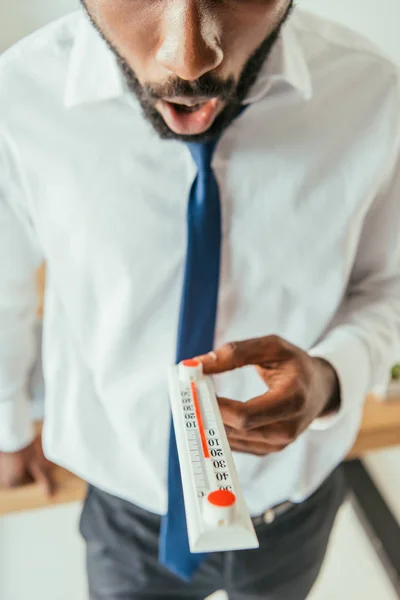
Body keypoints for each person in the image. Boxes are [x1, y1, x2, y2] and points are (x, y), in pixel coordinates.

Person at [0, 0, 399, 598]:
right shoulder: (20, 94)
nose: (188, 59)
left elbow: (388, 284)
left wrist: (332, 376)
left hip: (289, 507)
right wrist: (7, 426)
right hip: (127, 511)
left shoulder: (371, 91)